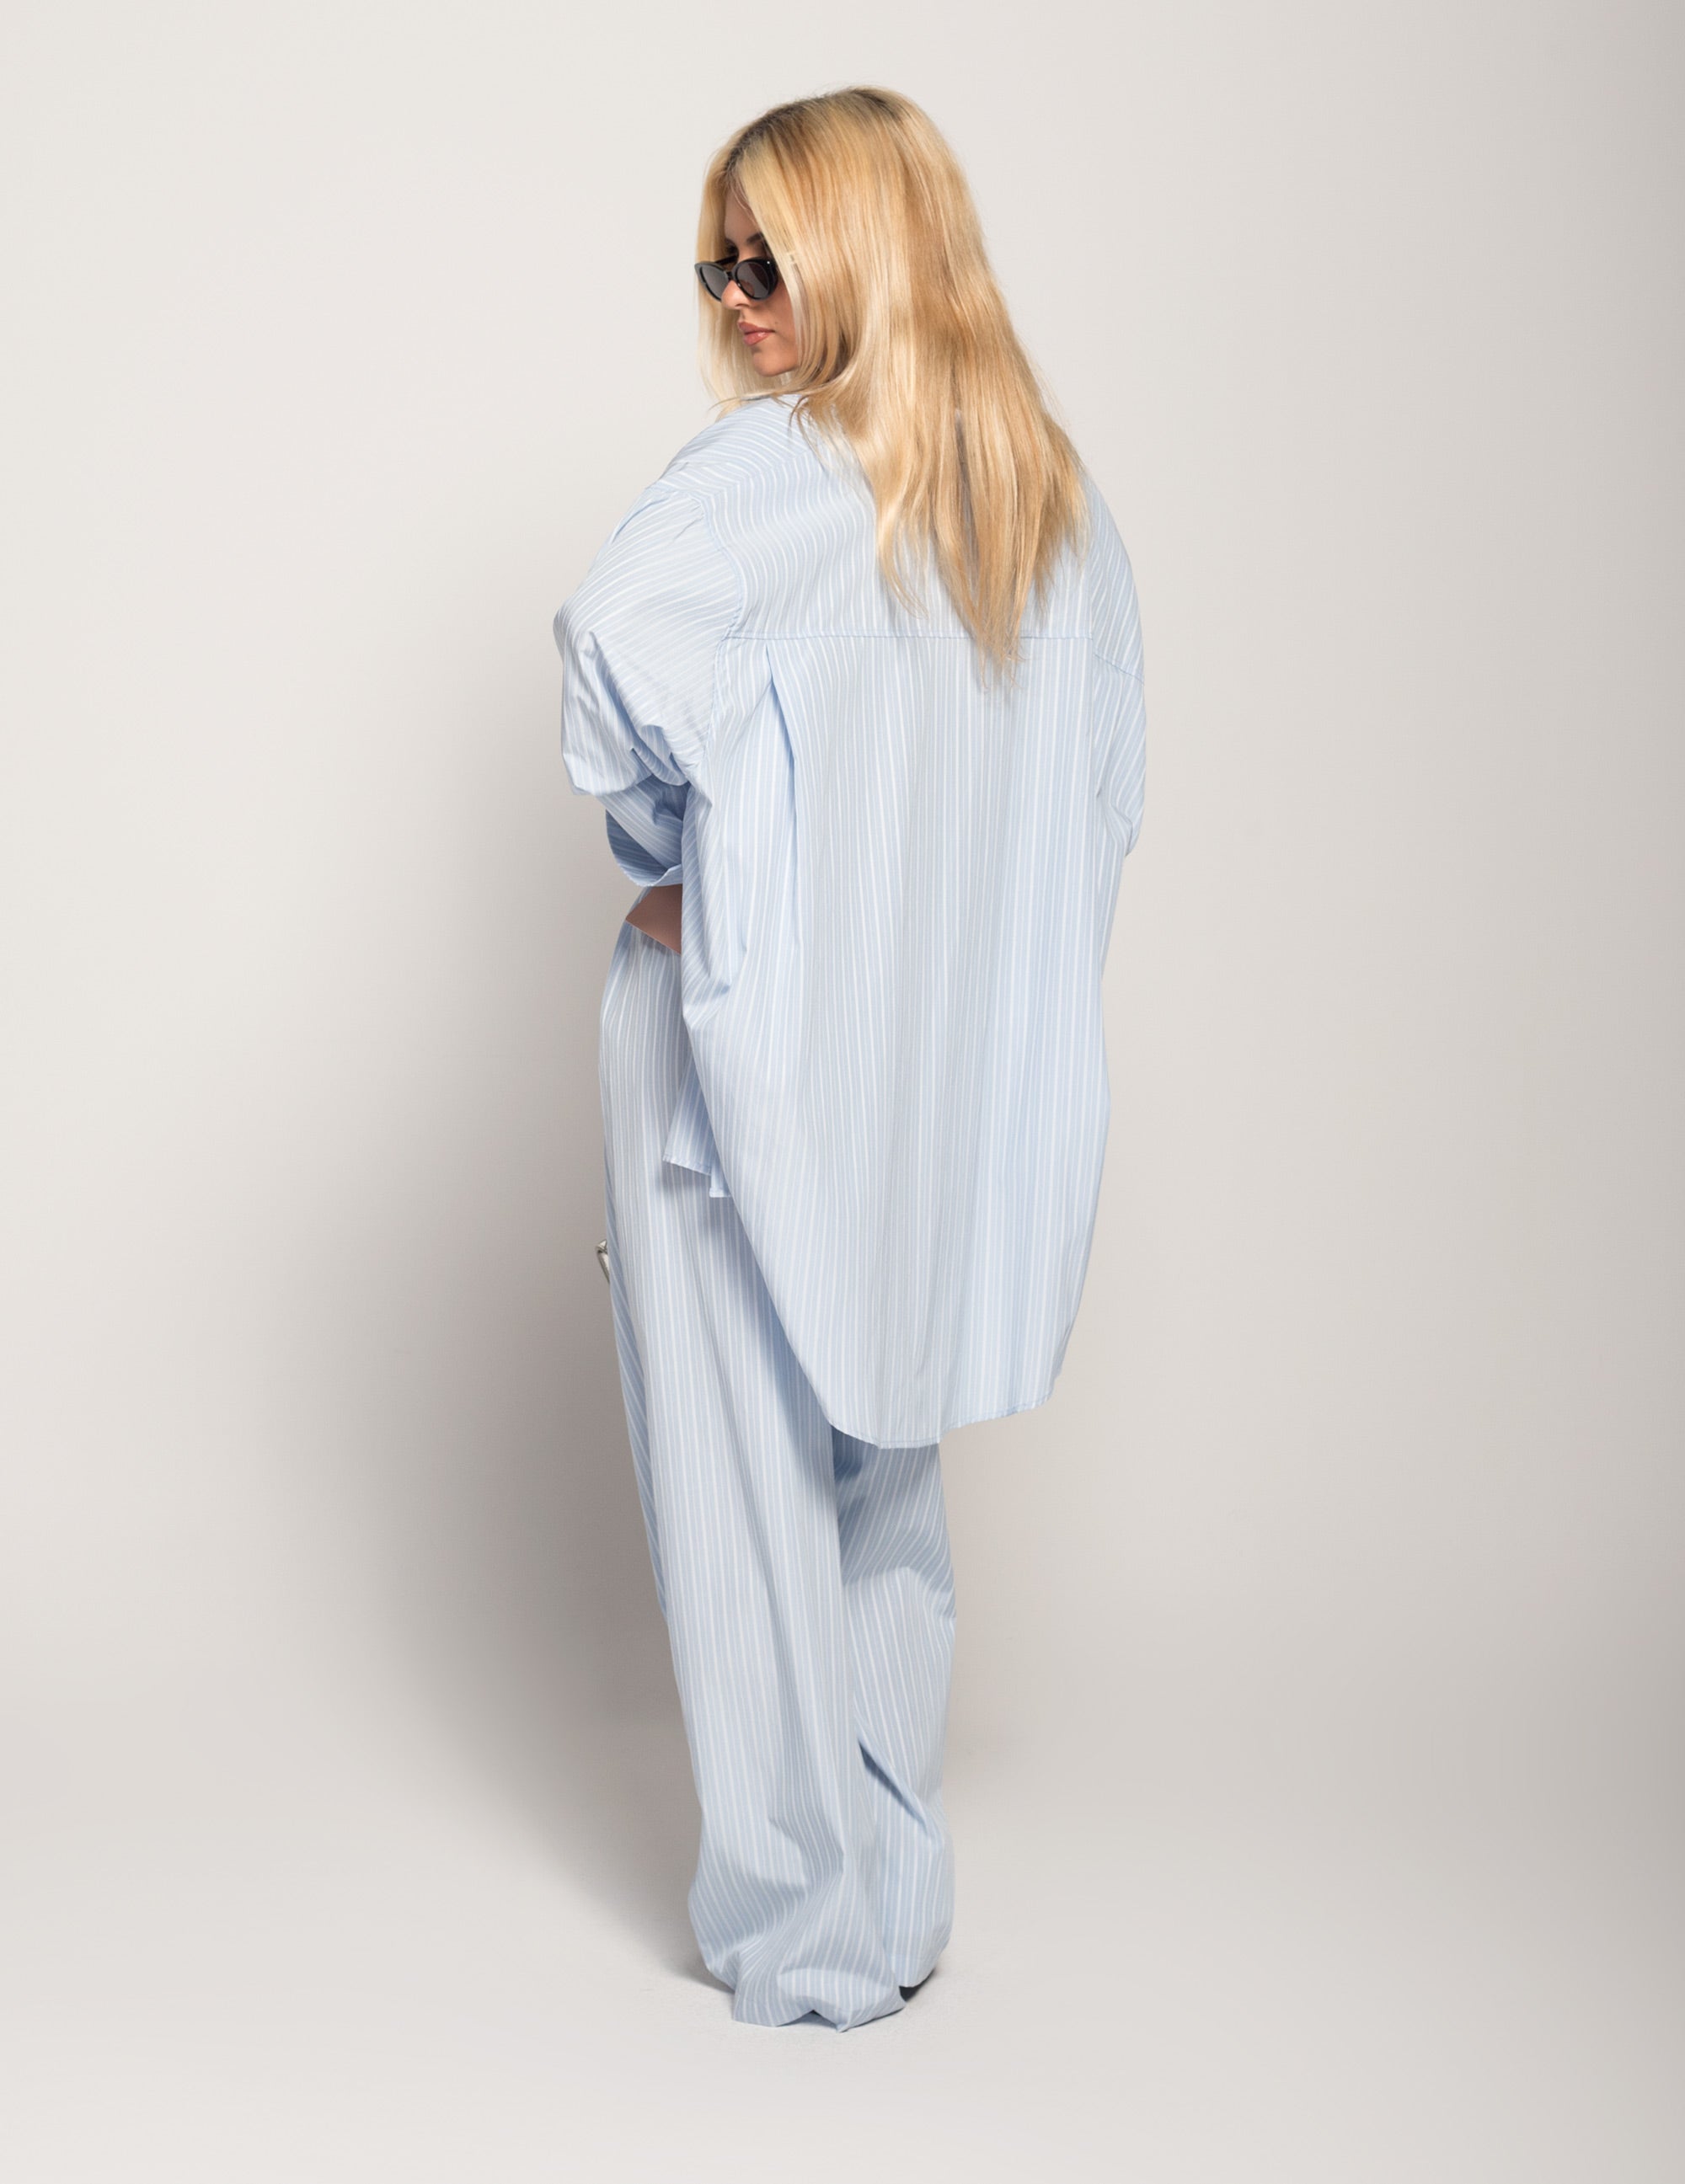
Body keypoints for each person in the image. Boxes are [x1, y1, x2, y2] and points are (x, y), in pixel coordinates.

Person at [553, 86, 1146, 2031]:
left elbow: (611, 655)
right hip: (922, 1082)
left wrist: (687, 865)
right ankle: (891, 1891)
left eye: (770, 256)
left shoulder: (759, 484)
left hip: (735, 1073)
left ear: (868, 251)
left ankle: (810, 1937)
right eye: (716, 261)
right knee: (882, 1460)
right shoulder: (1049, 501)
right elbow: (1099, 802)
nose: (736, 299)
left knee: (745, 1486)